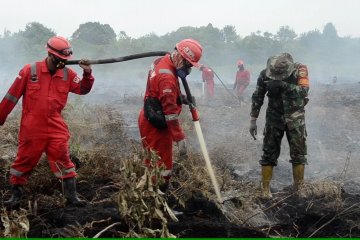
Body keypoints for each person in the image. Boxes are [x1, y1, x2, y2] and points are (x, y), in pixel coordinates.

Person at [0, 36, 94, 207]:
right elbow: (11, 96)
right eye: (60, 60)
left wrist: (87, 73)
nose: (62, 63)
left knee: (63, 160)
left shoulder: (67, 74)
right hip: (32, 127)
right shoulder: (30, 71)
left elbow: (83, 89)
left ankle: (72, 197)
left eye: (65, 60)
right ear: (50, 55)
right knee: (24, 161)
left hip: (56, 126)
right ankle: (15, 197)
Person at [138, 39, 202, 192]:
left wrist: (181, 97)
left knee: (153, 163)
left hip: (150, 116)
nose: (188, 70)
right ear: (180, 57)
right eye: (188, 65)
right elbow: (170, 114)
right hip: (157, 125)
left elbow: (161, 92)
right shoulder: (167, 77)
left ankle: (152, 198)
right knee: (163, 168)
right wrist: (180, 139)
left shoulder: (163, 59)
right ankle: (158, 203)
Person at [249, 53, 309, 198]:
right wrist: (253, 120)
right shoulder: (264, 74)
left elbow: (304, 91)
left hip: (295, 119)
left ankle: (298, 189)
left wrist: (284, 85)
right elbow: (258, 96)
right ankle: (265, 190)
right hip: (273, 118)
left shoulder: (300, 69)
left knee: (299, 154)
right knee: (268, 153)